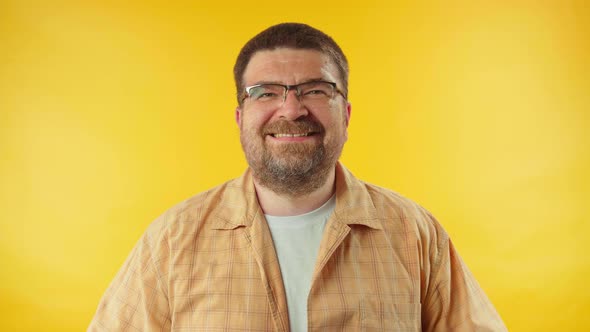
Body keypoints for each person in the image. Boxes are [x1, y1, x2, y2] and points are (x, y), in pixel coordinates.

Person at [88, 23, 507, 331]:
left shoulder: (416, 235)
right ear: (240, 118)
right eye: (265, 92)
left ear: (345, 113)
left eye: (315, 90)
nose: (291, 110)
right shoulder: (171, 241)